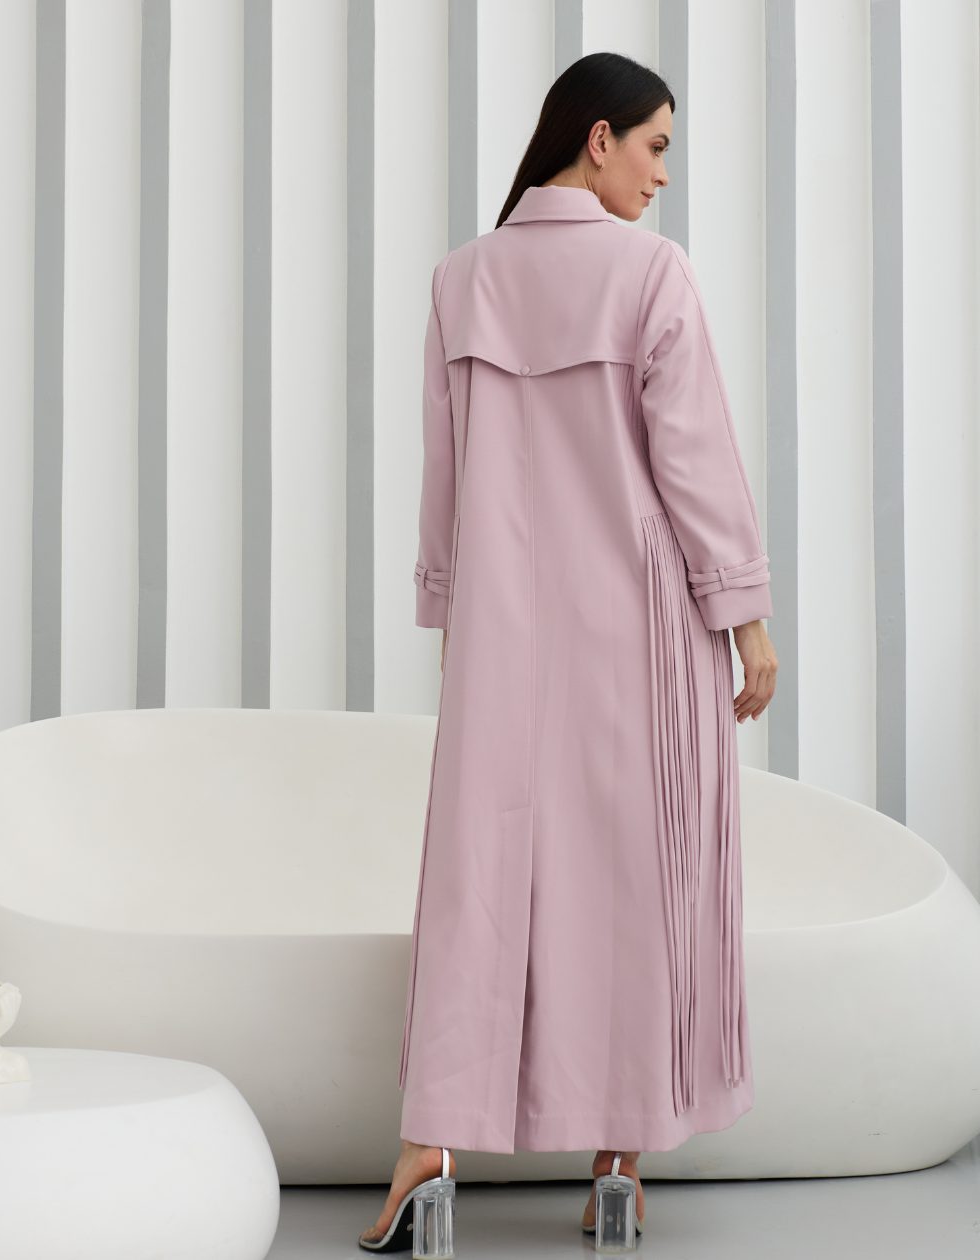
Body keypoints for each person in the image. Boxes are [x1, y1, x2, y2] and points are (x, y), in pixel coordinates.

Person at [360, 51, 778, 1252]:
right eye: (654, 148)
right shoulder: (650, 273)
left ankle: (427, 1153)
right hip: (642, 629)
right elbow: (692, 458)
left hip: (504, 628)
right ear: (597, 139)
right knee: (638, 879)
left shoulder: (462, 278)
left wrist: (452, 618)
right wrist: (745, 615)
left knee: (481, 882)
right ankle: (616, 1163)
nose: (661, 176)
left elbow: (446, 472)